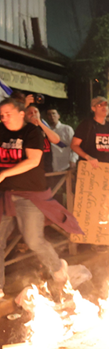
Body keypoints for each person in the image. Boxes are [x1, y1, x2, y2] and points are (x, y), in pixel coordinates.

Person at [0, 98, 80, 298]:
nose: (4, 118)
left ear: (21, 114)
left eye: (8, 113)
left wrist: (3, 174)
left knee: (34, 240)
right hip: (5, 195)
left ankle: (58, 270)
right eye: (2, 115)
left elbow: (33, 161)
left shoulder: (32, 132)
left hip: (30, 195)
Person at [72, 97, 109, 168]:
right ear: (93, 108)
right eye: (100, 105)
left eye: (105, 105)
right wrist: (88, 158)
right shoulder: (86, 125)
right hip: (90, 168)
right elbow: (74, 145)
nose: (104, 107)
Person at [24, 104, 60, 174]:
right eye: (30, 112)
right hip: (30, 171)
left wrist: (39, 123)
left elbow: (56, 140)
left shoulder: (43, 128)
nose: (33, 114)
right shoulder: (23, 129)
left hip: (47, 169)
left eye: (36, 112)